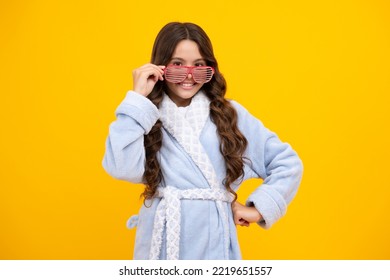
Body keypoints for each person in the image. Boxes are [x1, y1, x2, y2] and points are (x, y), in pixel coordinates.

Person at [102, 22, 303, 260]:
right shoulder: (146, 114)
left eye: (199, 67)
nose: (189, 76)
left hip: (213, 244)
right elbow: (121, 167)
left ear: (210, 70)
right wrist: (137, 100)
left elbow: (286, 162)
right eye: (177, 65)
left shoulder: (230, 115)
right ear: (159, 67)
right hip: (161, 240)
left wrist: (259, 209)